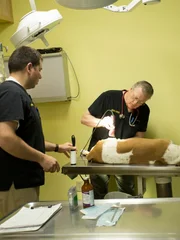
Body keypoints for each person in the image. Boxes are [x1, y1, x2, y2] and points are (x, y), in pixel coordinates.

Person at [0, 46, 76, 217]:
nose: (41, 75)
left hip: (23, 182)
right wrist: (41, 158)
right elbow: (4, 137)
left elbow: (26, 138)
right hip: (15, 184)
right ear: (29, 68)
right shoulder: (11, 92)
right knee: (20, 233)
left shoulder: (19, 94)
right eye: (39, 70)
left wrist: (57, 147)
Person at [81, 81, 154, 199]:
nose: (135, 103)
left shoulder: (144, 111)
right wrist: (102, 122)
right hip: (100, 154)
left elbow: (140, 137)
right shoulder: (108, 97)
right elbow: (84, 119)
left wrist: (122, 145)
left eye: (141, 102)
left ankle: (128, 215)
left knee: (127, 191)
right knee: (99, 191)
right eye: (134, 98)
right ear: (130, 89)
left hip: (123, 155)